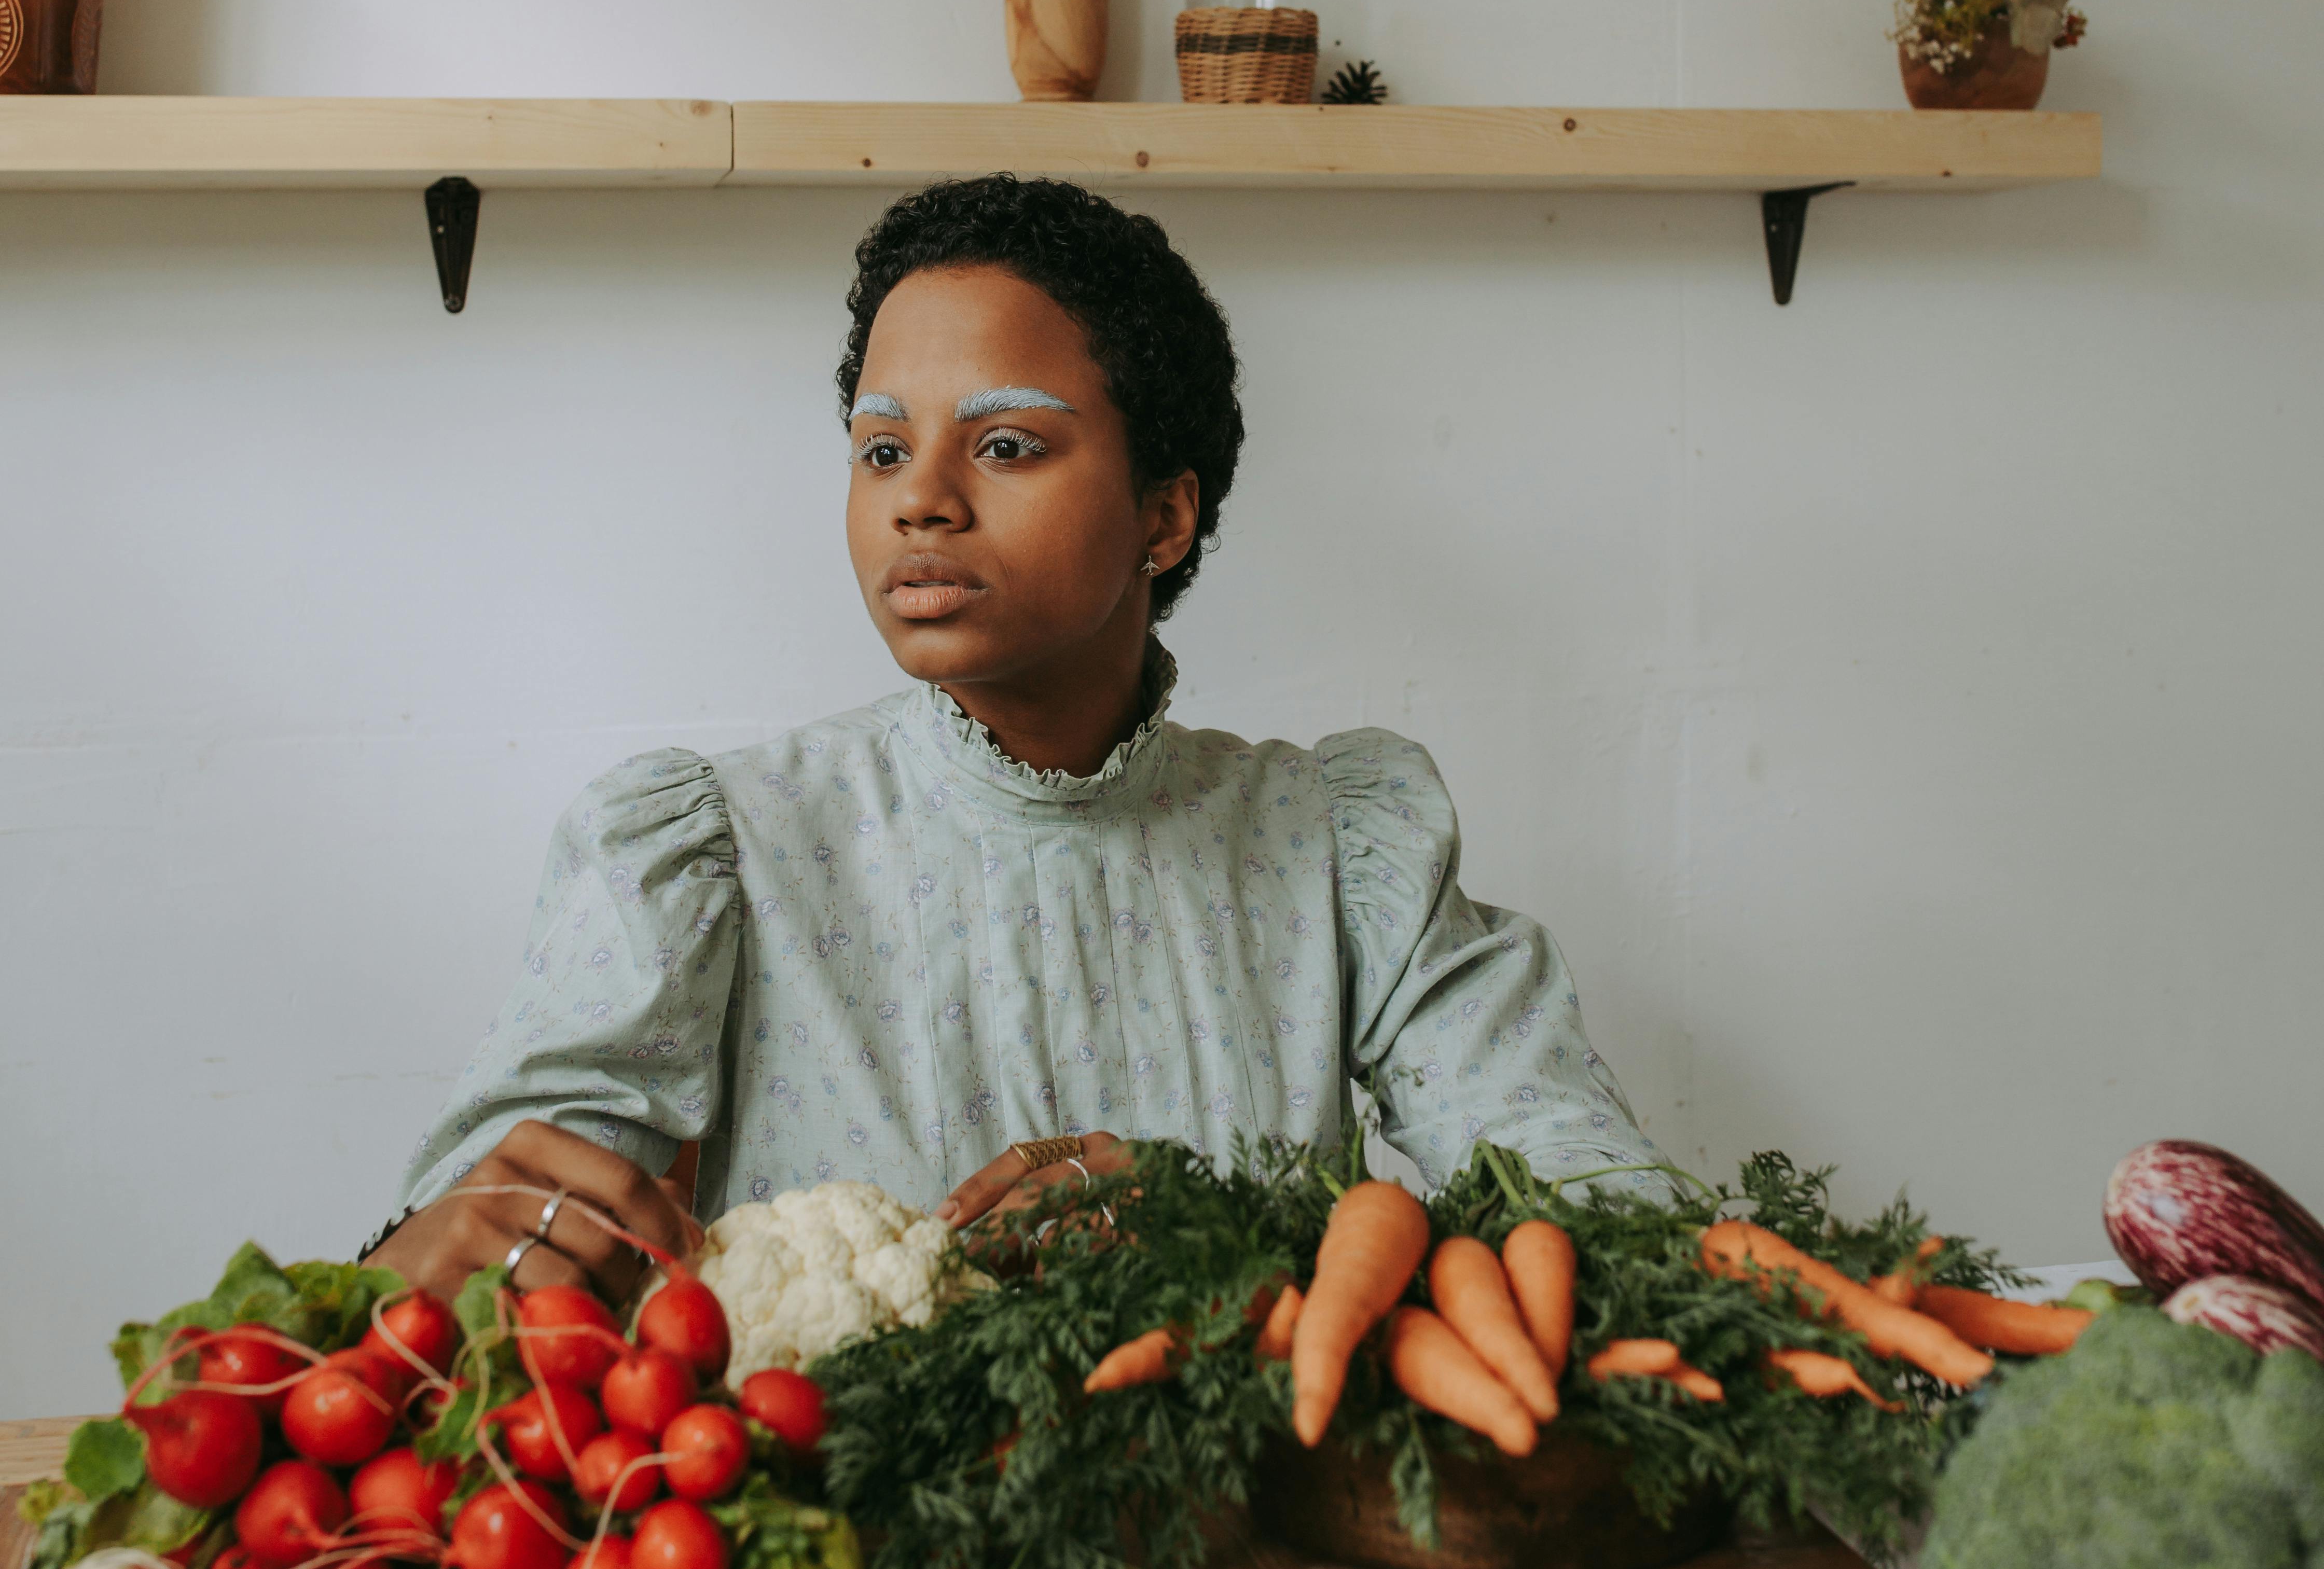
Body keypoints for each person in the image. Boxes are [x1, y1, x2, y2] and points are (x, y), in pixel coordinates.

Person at [369, 176, 1665, 1306]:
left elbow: (1605, 1218)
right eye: (881, 450)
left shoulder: (1335, 844)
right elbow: (474, 1247)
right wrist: (454, 1244)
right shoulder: (711, 851)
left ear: (1163, 516)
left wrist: (1240, 1236)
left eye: (1002, 445)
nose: (920, 502)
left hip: (1274, 1541)